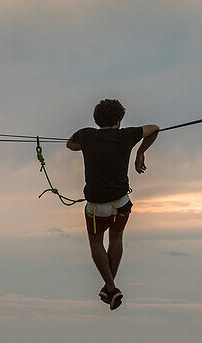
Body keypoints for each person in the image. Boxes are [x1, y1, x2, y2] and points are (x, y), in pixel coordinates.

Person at [67, 99, 159, 310]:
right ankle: (109, 288)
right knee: (116, 239)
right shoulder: (126, 135)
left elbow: (69, 143)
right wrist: (140, 152)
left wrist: (84, 146)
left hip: (96, 207)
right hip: (121, 203)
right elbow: (154, 129)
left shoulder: (87, 134)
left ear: (96, 119)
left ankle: (111, 287)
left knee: (96, 244)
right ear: (119, 120)